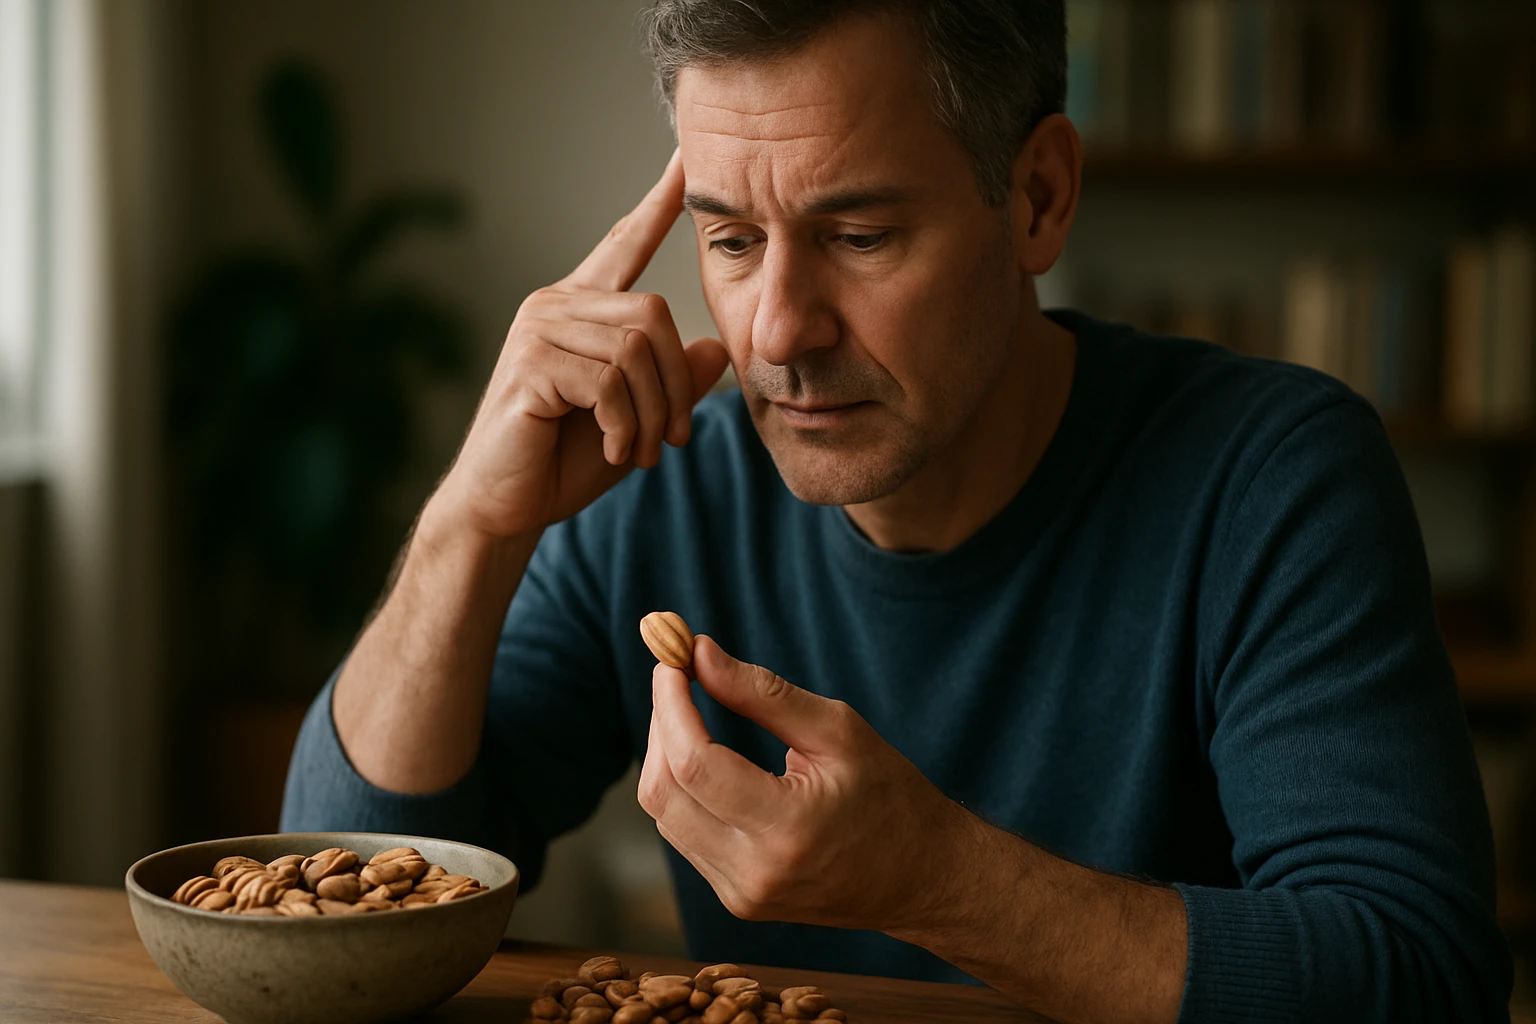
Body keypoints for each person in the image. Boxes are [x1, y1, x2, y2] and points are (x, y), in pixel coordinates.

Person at [280, 1, 1512, 1020]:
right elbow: (341, 906)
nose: (775, 331)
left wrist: (937, 882)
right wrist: (470, 529)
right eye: (729, 239)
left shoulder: (1271, 476)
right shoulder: (663, 481)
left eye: (860, 235)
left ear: (1037, 198)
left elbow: (1420, 977)